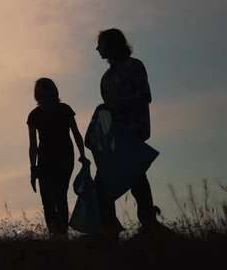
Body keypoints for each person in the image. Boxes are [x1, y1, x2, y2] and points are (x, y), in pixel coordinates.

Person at [95, 28, 160, 236]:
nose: (97, 48)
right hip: (115, 138)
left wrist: (117, 106)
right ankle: (108, 228)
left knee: (136, 179)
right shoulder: (105, 78)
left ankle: (148, 225)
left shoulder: (134, 66)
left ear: (112, 44)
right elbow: (109, 108)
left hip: (133, 132)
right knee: (103, 183)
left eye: (101, 44)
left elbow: (144, 96)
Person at [27, 78, 89, 237]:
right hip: (46, 159)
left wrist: (83, 155)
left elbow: (76, 133)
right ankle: (54, 233)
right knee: (48, 197)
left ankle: (60, 233)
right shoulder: (34, 115)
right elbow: (32, 144)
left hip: (63, 157)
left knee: (60, 195)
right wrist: (33, 167)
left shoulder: (65, 110)